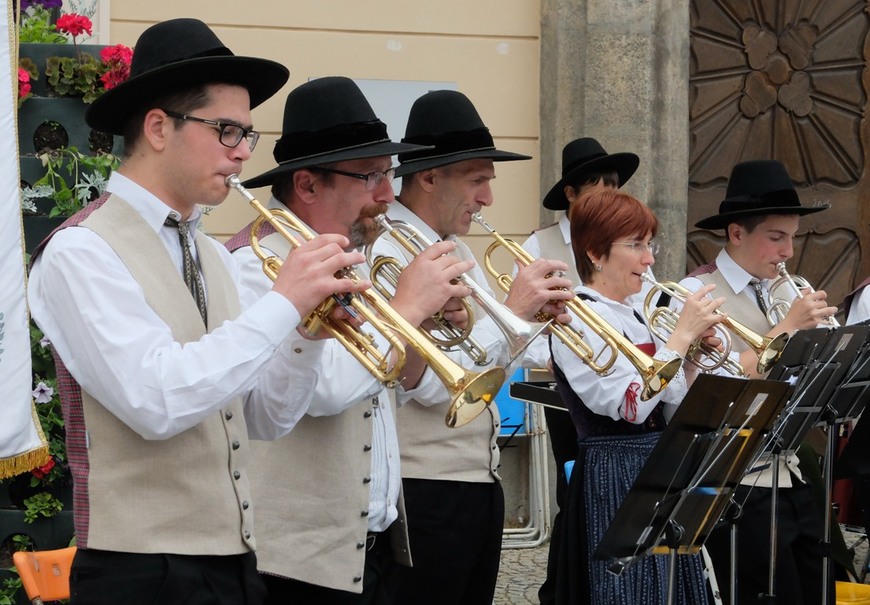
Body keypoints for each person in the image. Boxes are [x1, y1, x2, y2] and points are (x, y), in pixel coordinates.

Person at [26, 19, 370, 605]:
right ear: (158, 127)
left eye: (247, 135)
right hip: (139, 570)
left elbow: (263, 418)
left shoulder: (210, 251)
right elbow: (157, 402)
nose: (242, 152)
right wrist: (285, 302)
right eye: (226, 131)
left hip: (234, 563)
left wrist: (309, 333)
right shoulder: (80, 250)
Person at [226, 76, 476, 604]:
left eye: (386, 174)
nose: (387, 194)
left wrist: (424, 324)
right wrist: (408, 308)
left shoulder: (353, 259)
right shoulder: (254, 266)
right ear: (309, 185)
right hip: (297, 563)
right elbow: (324, 393)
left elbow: (397, 384)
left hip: (376, 546)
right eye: (370, 177)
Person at [371, 89, 573, 605]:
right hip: (424, 486)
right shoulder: (386, 248)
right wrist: (514, 314)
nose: (487, 198)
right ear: (429, 176)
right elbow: (430, 390)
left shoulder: (457, 250)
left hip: (477, 484)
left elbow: (488, 361)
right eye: (477, 179)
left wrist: (536, 321)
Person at [550, 188, 723, 604]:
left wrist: (693, 357)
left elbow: (671, 404)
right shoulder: (577, 318)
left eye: (650, 244)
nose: (649, 259)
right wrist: (680, 340)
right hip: (613, 472)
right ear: (594, 252)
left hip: (659, 463)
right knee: (627, 591)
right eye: (636, 245)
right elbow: (629, 406)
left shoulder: (639, 312)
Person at [682, 159, 836, 604]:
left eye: (791, 237)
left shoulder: (788, 290)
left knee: (814, 587)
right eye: (776, 238)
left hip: (791, 470)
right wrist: (785, 330)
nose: (788, 251)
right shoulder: (698, 293)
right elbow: (711, 385)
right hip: (735, 481)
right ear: (735, 234)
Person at [522, 137, 640, 605]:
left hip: (622, 380)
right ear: (570, 194)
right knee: (574, 492)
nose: (608, 191)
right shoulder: (540, 244)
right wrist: (557, 350)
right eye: (598, 184)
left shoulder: (626, 236)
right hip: (564, 385)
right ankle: (567, 581)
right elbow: (519, 318)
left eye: (613, 183)